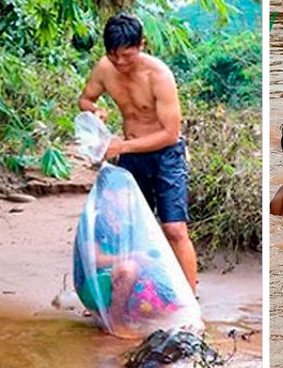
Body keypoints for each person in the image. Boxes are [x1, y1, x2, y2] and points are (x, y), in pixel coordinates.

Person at [78, 13, 197, 293]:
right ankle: (130, 294)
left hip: (166, 156)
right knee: (129, 229)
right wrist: (95, 110)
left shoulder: (159, 75)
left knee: (175, 229)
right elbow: (85, 99)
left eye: (127, 55)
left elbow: (169, 133)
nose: (120, 63)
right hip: (131, 157)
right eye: (113, 55)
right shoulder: (104, 69)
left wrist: (121, 147)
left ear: (141, 44)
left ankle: (191, 300)